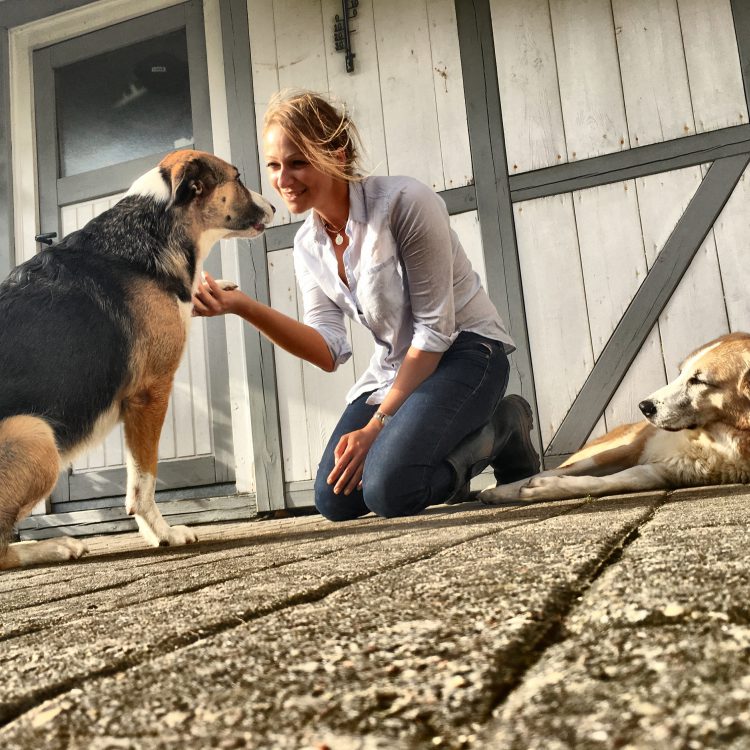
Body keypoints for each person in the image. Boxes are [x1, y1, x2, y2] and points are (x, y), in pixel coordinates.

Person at [193, 89, 539, 521]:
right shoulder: (308, 244)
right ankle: (430, 442)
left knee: (391, 491)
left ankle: (501, 430)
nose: (283, 179)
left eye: (298, 162)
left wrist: (377, 427)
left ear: (336, 155)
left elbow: (434, 332)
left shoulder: (405, 203)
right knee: (334, 499)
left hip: (467, 353)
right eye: (274, 165)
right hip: (397, 368)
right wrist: (242, 306)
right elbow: (328, 348)